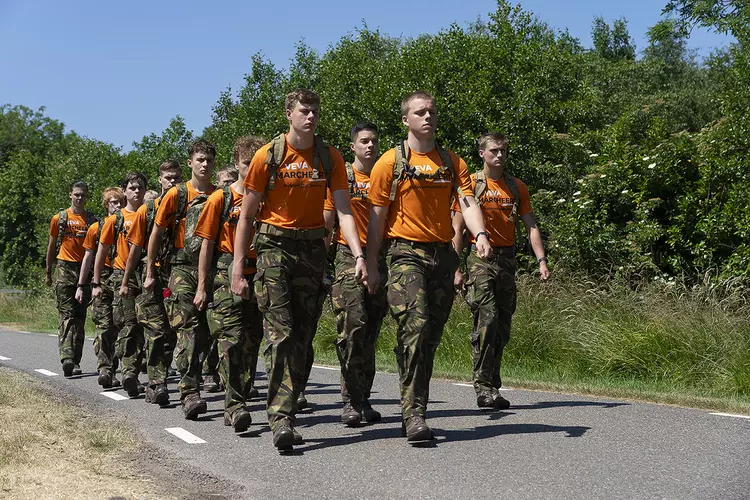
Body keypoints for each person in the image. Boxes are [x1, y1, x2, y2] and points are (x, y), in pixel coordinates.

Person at [231, 89, 366, 450]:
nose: (311, 117)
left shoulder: (329, 156)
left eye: (315, 111)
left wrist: (358, 254)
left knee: (303, 337)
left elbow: (344, 211)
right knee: (281, 334)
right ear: (289, 113)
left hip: (312, 249)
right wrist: (237, 266)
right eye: (304, 111)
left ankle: (287, 404)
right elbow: (246, 216)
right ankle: (281, 419)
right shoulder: (267, 156)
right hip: (274, 246)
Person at [366, 91, 491, 443]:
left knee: (429, 338)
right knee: (416, 326)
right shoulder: (388, 163)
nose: (428, 117)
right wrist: (373, 265)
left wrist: (479, 233)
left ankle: (413, 399)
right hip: (405, 253)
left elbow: (466, 202)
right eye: (420, 112)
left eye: (432, 112)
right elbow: (376, 220)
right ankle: (414, 414)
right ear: (406, 120)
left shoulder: (452, 162)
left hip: (443, 255)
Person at [452, 132, 550, 410]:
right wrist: (455, 267)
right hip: (480, 257)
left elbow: (530, 225)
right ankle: (482, 386)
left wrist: (541, 260)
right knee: (488, 317)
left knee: (503, 325)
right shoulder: (469, 184)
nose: (499, 155)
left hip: (507, 259)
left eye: (503, 151)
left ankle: (493, 385)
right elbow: (457, 228)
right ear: (482, 153)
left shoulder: (517, 187)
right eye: (493, 151)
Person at [193, 135, 266, 432]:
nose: (252, 168)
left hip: (260, 271)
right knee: (230, 340)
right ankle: (235, 405)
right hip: (226, 272)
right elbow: (207, 244)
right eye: (247, 163)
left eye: (257, 163)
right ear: (236, 164)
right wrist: (201, 286)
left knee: (252, 342)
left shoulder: (268, 198)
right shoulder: (220, 199)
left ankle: (240, 394)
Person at [145, 140, 217, 419]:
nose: (205, 164)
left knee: (208, 333)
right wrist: (151, 271)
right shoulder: (177, 194)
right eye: (200, 159)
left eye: (209, 159)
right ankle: (189, 393)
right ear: (190, 163)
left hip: (214, 269)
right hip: (182, 268)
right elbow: (156, 234)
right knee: (187, 327)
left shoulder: (219, 195)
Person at [323, 122, 388, 426]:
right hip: (347, 256)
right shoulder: (342, 177)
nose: (370, 146)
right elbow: (327, 221)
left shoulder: (386, 177)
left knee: (370, 332)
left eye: (374, 141)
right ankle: (350, 399)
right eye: (364, 141)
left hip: (380, 256)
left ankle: (364, 398)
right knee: (353, 326)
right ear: (353, 146)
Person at [122, 160, 183, 406]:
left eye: (176, 177)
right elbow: (135, 248)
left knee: (172, 333)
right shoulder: (146, 210)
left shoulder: (186, 205)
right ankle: (156, 383)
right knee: (155, 331)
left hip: (176, 277)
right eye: (168, 177)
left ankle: (159, 378)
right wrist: (127, 281)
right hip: (149, 279)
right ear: (160, 180)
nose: (172, 181)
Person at [92, 172, 147, 398]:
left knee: (144, 326)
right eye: (132, 187)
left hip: (146, 275)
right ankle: (127, 372)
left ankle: (130, 372)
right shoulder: (115, 221)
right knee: (127, 324)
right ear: (124, 191)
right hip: (120, 275)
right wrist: (95, 283)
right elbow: (100, 253)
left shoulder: (150, 214)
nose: (137, 191)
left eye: (140, 187)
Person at [45, 181, 97, 377]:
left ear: (87, 196)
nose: (79, 198)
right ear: (70, 195)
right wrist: (48, 272)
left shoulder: (92, 220)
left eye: (83, 195)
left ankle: (75, 360)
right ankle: (67, 358)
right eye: (76, 194)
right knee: (67, 315)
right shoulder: (60, 218)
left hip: (84, 271)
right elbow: (51, 246)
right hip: (64, 268)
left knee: (80, 317)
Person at [76, 186, 125, 388]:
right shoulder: (95, 228)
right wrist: (82, 285)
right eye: (113, 202)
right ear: (106, 204)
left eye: (120, 202)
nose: (117, 205)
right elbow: (88, 257)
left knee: (119, 325)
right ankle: (105, 368)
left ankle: (114, 366)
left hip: (121, 277)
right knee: (104, 324)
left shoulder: (127, 225)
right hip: (102, 277)